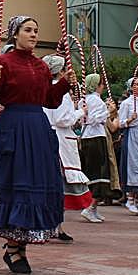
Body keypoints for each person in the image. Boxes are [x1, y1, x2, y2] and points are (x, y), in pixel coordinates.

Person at [0, 17, 71, 275]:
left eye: (36, 30)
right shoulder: (2, 62)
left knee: (36, 183)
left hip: (37, 126)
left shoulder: (41, 66)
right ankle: (13, 247)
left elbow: (49, 100)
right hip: (13, 127)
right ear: (15, 34)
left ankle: (19, 246)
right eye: (28, 30)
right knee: (17, 183)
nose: (33, 35)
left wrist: (64, 84)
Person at [42, 54, 89, 243]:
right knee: (57, 186)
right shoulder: (58, 91)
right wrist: (80, 112)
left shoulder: (46, 88)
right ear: (60, 72)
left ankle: (54, 226)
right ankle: (52, 226)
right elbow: (62, 119)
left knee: (54, 186)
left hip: (51, 138)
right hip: (60, 141)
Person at [78, 73, 117, 221]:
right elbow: (92, 119)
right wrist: (108, 112)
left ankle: (93, 207)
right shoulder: (95, 100)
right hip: (95, 137)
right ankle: (90, 207)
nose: (103, 87)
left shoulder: (84, 100)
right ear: (96, 85)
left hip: (88, 137)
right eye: (101, 84)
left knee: (92, 172)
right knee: (99, 172)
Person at [117, 77, 138, 216]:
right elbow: (120, 122)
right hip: (133, 134)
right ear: (131, 87)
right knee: (134, 165)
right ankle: (130, 199)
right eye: (136, 84)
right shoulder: (127, 104)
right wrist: (130, 119)